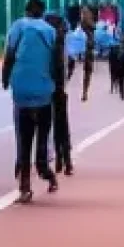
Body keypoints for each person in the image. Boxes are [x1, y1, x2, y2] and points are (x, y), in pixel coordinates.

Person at [3, 0, 59, 203]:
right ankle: (46, 172)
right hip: (44, 93)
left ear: (26, 11)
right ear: (42, 12)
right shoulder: (50, 31)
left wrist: (5, 78)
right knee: (42, 137)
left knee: (23, 140)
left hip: (22, 92)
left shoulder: (18, 27)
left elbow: (9, 55)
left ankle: (25, 186)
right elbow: (56, 62)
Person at [44, 11, 73, 176]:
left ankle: (56, 159)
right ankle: (66, 159)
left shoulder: (48, 40)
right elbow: (70, 63)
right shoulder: (63, 40)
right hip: (61, 88)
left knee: (48, 124)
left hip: (48, 87)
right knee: (62, 125)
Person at [79, 5, 96, 102]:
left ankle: (85, 92)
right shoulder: (86, 24)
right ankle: (85, 91)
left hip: (87, 50)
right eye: (83, 12)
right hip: (87, 49)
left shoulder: (85, 24)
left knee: (87, 72)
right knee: (87, 72)